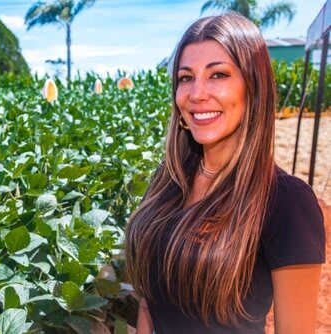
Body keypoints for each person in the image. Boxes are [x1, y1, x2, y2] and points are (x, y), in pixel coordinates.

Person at [125, 12, 325, 334]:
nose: (197, 94)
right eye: (186, 78)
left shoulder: (286, 202)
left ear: (253, 89)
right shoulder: (166, 182)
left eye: (218, 75)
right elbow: (149, 303)